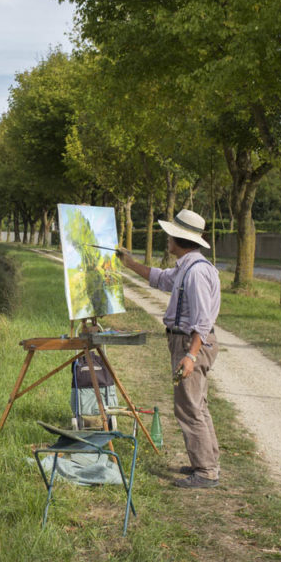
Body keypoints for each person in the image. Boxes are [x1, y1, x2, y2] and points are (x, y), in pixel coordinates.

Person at [117, 209, 221, 489]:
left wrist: (190, 355)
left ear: (179, 238)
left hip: (191, 343)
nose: (166, 239)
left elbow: (202, 320)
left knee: (188, 407)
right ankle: (207, 462)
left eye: (170, 235)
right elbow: (162, 279)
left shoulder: (197, 272)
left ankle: (206, 471)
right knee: (198, 404)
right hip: (186, 341)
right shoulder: (187, 266)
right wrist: (129, 264)